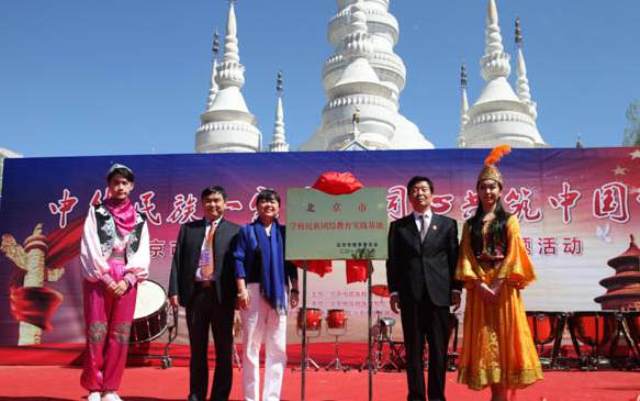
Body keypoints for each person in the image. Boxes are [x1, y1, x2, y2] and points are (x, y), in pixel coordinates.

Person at [455, 145, 543, 401]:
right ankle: (496, 395)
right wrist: (480, 284)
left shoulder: (509, 220)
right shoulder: (470, 224)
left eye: (492, 187)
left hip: (503, 290)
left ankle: (501, 397)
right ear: (477, 191)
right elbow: (466, 256)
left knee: (505, 338)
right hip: (480, 290)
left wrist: (496, 284)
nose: (488, 192)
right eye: (483, 187)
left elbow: (514, 253)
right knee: (483, 340)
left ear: (500, 190)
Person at [386, 176, 461, 401]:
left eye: (424, 189)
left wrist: (456, 288)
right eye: (415, 190)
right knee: (414, 351)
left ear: (432, 194)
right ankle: (416, 396)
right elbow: (393, 261)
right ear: (409, 197)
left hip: (439, 296)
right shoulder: (398, 227)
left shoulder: (447, 224)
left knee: (438, 351)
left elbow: (454, 259)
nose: (420, 193)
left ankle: (437, 397)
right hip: (411, 296)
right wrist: (394, 291)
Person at [80, 164, 150, 401]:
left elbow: (142, 252)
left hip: (127, 279)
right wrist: (107, 278)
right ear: (109, 186)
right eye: (116, 182)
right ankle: (94, 387)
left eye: (124, 183)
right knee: (97, 332)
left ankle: (110, 388)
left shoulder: (140, 218)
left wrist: (129, 279)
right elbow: (89, 246)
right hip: (99, 277)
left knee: (120, 334)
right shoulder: (96, 212)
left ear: (131, 186)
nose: (120, 187)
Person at [169, 186, 241, 401]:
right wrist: (174, 290)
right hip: (196, 295)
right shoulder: (188, 229)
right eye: (208, 201)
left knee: (224, 350)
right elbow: (177, 261)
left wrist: (239, 297)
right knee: (197, 350)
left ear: (225, 203)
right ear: (202, 204)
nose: (213, 205)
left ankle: (220, 396)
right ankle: (196, 395)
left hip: (223, 297)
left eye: (217, 200)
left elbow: (240, 266)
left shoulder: (236, 231)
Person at [234, 189, 299, 401]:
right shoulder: (247, 231)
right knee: (251, 347)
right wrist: (241, 289)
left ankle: (272, 397)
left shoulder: (285, 233)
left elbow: (291, 263)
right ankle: (251, 397)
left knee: (277, 347)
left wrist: (295, 288)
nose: (268, 205)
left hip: (280, 292)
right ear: (257, 206)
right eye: (263, 201)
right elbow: (238, 260)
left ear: (279, 207)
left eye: (273, 202)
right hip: (252, 291)